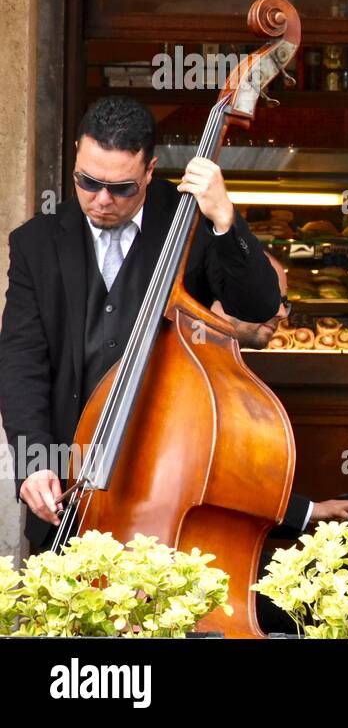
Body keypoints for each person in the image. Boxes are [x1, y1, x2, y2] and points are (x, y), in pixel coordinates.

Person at [0, 96, 281, 550]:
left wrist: (225, 218)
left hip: (169, 479)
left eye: (122, 188)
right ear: (76, 153)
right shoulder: (36, 243)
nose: (102, 200)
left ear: (150, 170)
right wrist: (34, 463)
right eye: (87, 182)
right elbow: (21, 361)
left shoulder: (189, 219)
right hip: (71, 496)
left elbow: (258, 304)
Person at [210, 251, 348, 532]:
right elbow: (216, 483)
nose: (282, 313)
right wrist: (308, 511)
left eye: (284, 302)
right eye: (270, 296)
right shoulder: (194, 371)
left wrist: (308, 510)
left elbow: (236, 482)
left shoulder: (222, 364)